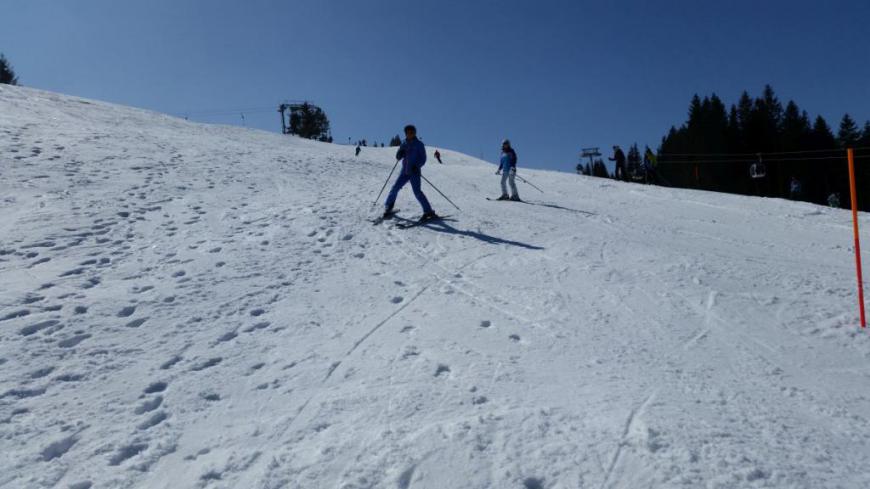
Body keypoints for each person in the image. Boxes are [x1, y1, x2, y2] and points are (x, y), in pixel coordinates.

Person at [383, 124, 436, 220]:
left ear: (414, 133)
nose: (409, 134)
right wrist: (400, 154)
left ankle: (428, 211)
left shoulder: (419, 144)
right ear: (405, 133)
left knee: (417, 192)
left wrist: (417, 166)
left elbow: (423, 158)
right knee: (395, 188)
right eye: (407, 132)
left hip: (414, 171)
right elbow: (398, 156)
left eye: (411, 132)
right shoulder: (404, 143)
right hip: (404, 171)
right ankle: (388, 207)